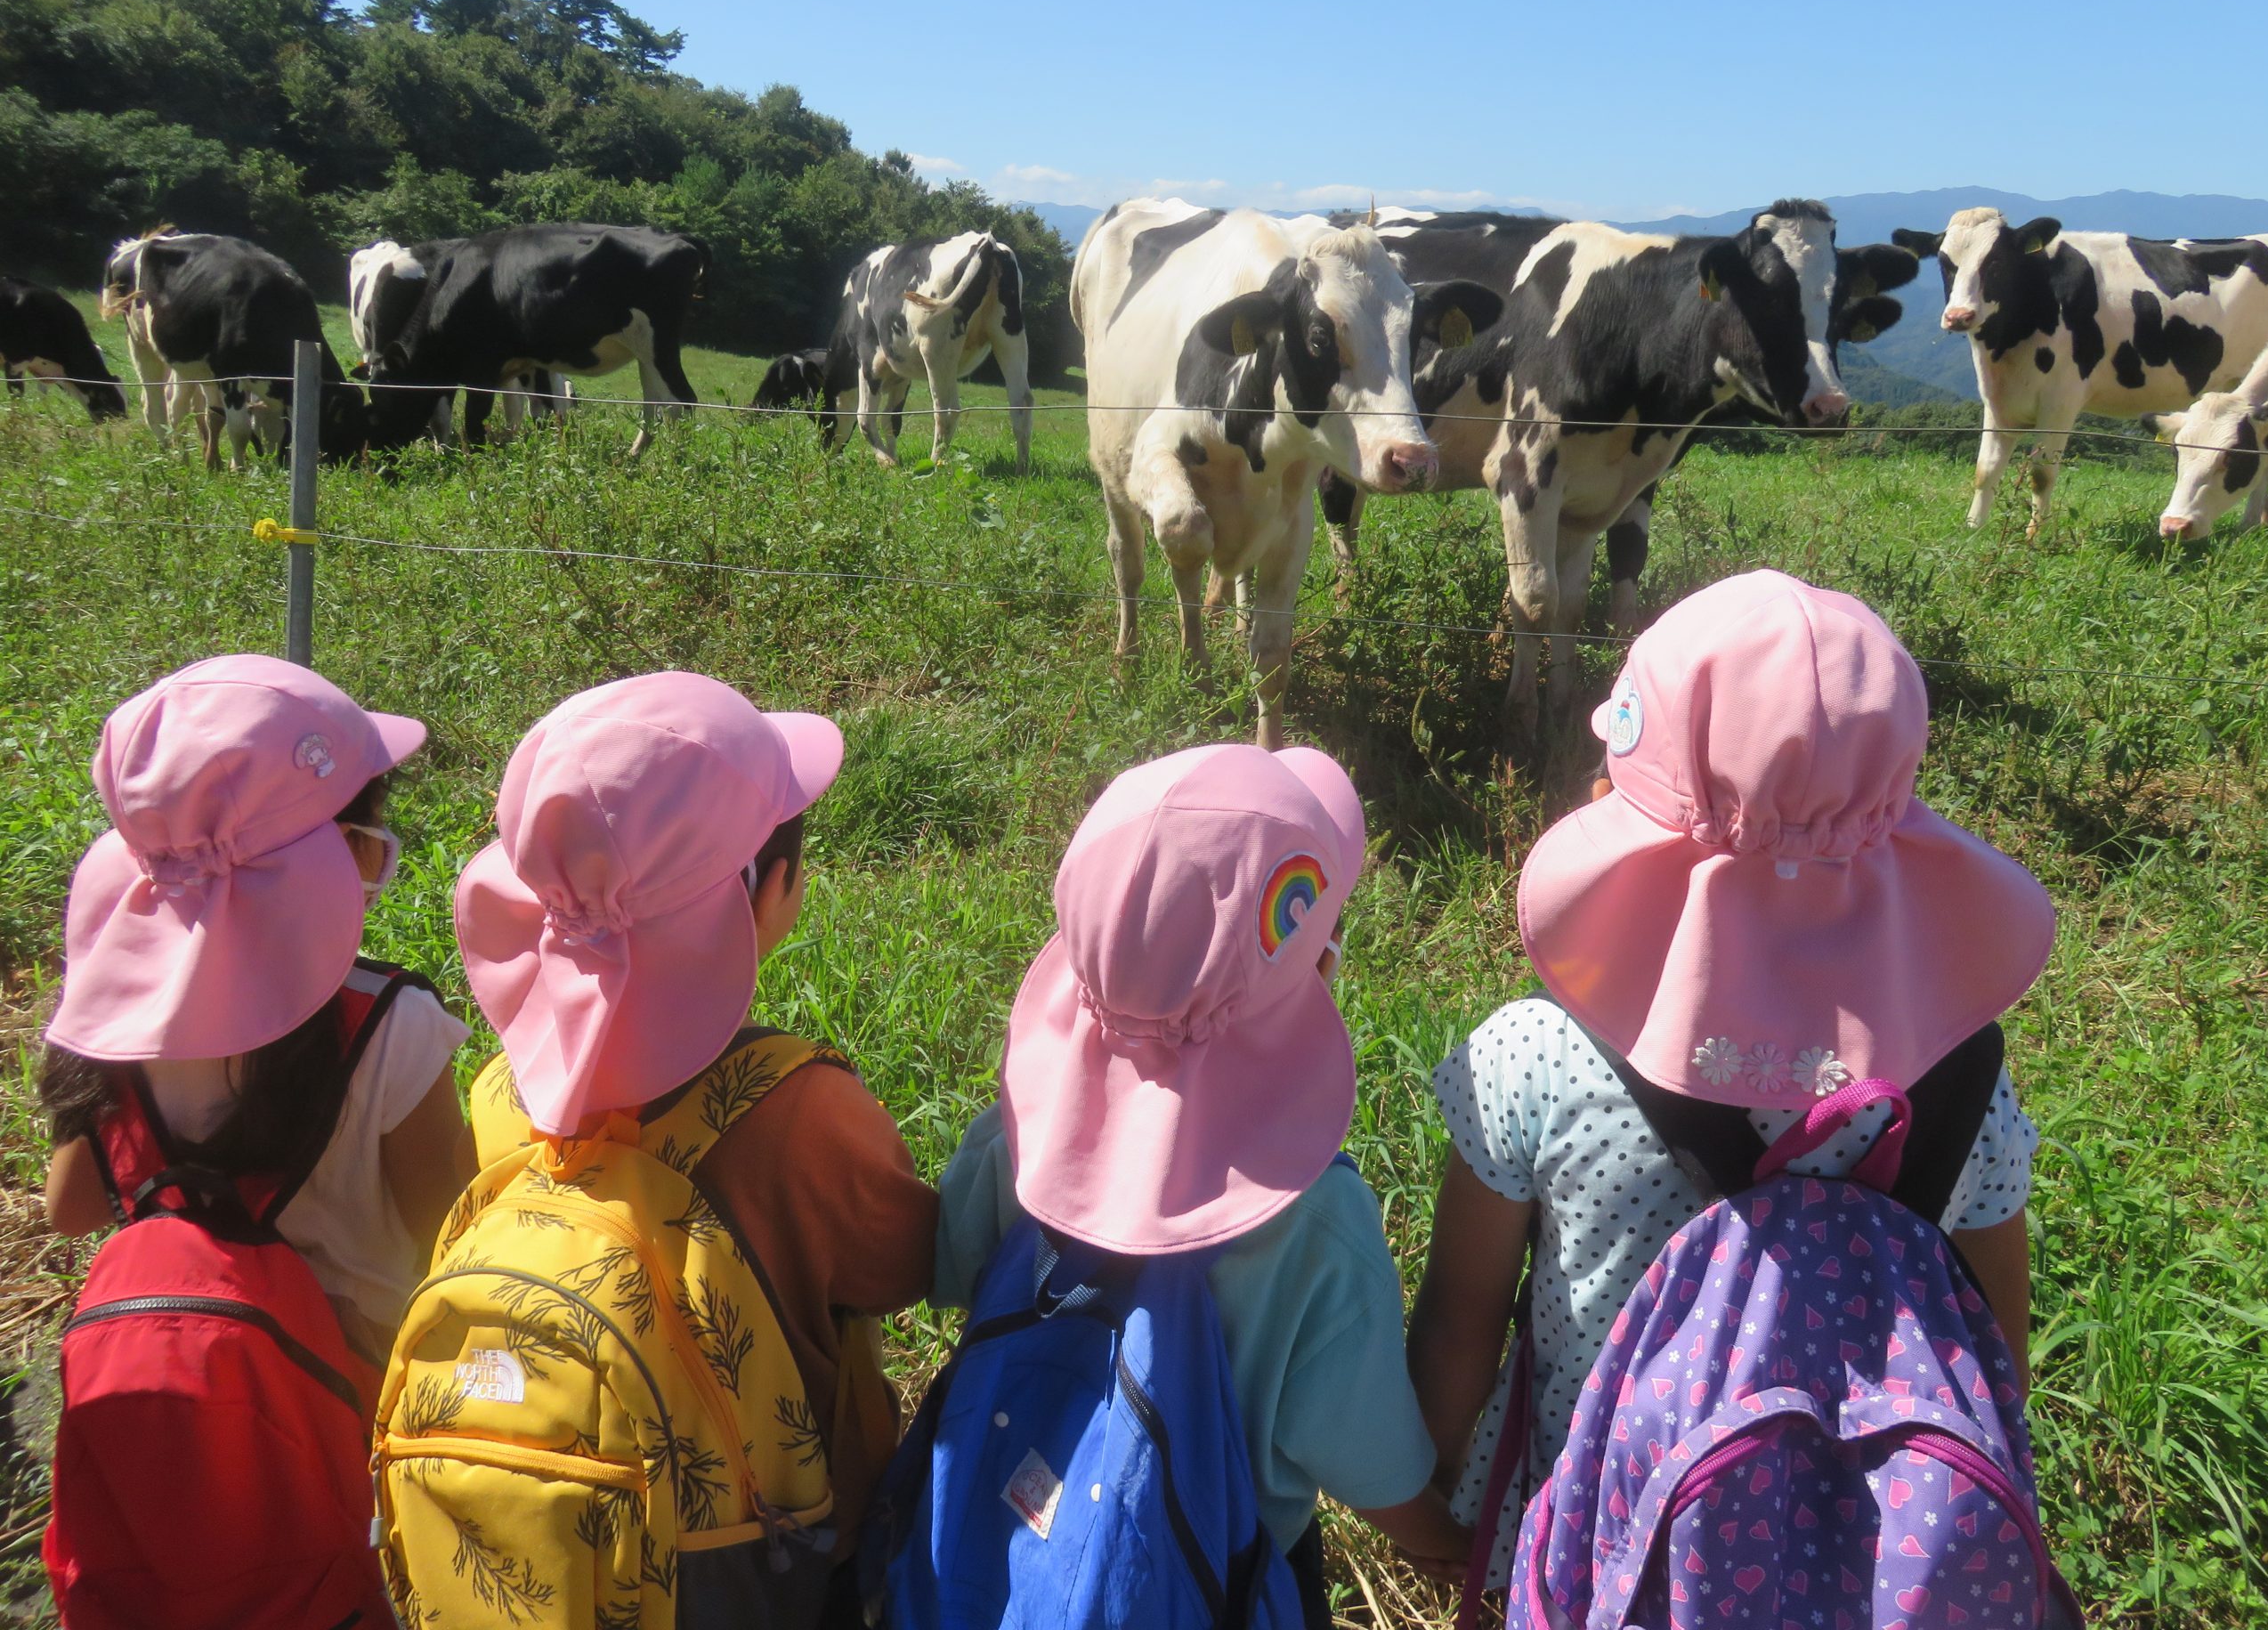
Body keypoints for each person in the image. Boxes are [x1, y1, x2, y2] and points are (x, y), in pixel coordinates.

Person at [1406, 568, 2057, 1588]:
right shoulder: (1959, 1072)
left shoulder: (1535, 1050)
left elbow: (1459, 1322)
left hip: (1598, 1537)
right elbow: (1993, 1346)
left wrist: (1428, 1505)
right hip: (1860, 1560)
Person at [930, 742, 1471, 1628]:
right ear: (1321, 969)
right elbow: (1372, 1467)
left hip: (998, 1561)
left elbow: (950, 1269)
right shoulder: (1318, 1223)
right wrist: (1443, 1538)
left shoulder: (1019, 1137)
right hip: (1218, 1579)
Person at [445, 670, 936, 1623]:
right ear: (763, 898)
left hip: (538, 1541)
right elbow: (905, 1266)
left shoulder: (499, 1094)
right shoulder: (802, 1112)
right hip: (768, 1561)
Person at [40, 653, 474, 1366]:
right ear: (342, 857)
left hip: (189, 1372)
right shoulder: (395, 1023)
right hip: (358, 1395)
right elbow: (449, 1243)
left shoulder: (119, 1012)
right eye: (371, 831)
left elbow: (71, 1209)